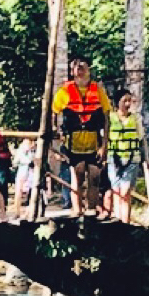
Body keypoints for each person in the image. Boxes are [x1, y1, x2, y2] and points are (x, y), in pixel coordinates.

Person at [54, 57, 112, 217]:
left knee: (94, 177)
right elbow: (55, 111)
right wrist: (56, 130)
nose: (80, 70)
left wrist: (104, 145)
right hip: (74, 142)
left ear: (89, 70)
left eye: (83, 67)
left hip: (94, 141)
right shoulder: (65, 91)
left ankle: (91, 212)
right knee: (77, 175)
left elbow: (106, 117)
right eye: (76, 68)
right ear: (72, 72)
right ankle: (77, 212)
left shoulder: (97, 90)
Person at [108, 92, 145, 222]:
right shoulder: (109, 118)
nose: (128, 104)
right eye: (125, 101)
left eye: (130, 101)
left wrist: (147, 157)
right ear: (117, 102)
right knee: (116, 192)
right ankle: (118, 222)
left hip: (132, 158)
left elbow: (141, 138)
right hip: (114, 158)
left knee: (125, 192)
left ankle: (126, 222)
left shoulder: (136, 119)